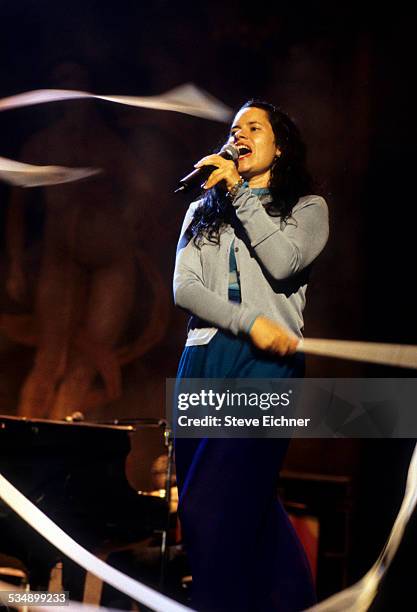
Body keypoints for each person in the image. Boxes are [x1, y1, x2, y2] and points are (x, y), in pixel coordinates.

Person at [173, 100, 329, 612]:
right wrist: (245, 321)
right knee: (248, 513)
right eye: (234, 129)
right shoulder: (202, 210)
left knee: (206, 511)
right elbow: (184, 289)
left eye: (253, 128)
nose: (239, 135)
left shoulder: (307, 208)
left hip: (265, 373)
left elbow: (284, 264)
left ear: (278, 145)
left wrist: (240, 193)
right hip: (201, 366)